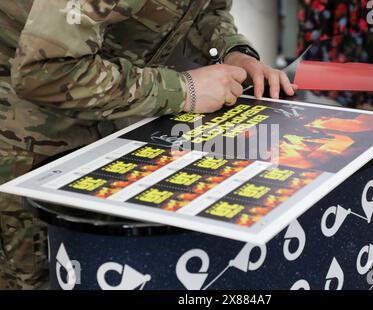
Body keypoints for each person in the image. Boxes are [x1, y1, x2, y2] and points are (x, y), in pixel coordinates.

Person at [0, 0, 296, 290]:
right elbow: (43, 71)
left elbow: (205, 11)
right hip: (25, 122)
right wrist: (183, 90)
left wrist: (233, 52)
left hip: (110, 108)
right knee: (41, 273)